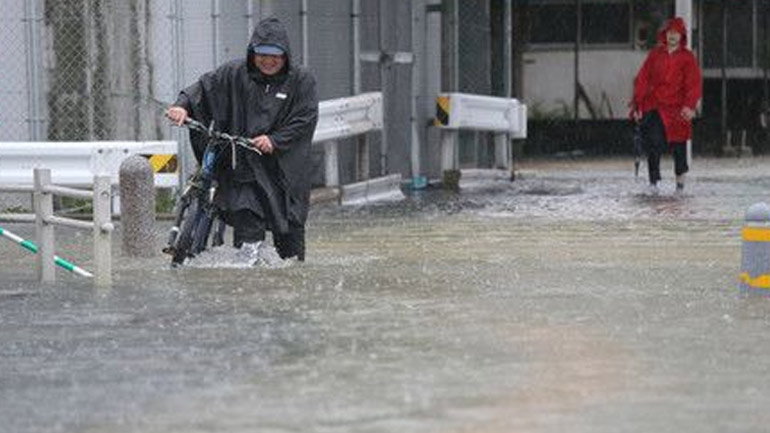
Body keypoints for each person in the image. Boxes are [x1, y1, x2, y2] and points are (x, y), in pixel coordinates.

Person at [166, 16, 318, 264]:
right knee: (247, 220)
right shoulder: (235, 73)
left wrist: (275, 140)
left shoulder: (301, 80)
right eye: (262, 55)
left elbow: (305, 118)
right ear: (252, 53)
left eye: (275, 56)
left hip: (283, 170)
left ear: (285, 56)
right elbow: (203, 88)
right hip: (245, 167)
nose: (268, 61)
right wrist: (181, 106)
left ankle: (292, 275)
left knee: (290, 242)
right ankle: (245, 273)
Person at [630, 16, 702, 195]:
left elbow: (693, 84)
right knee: (653, 143)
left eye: (676, 33)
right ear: (665, 34)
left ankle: (680, 186)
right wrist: (638, 103)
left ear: (682, 36)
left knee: (679, 146)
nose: (672, 36)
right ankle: (653, 183)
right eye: (670, 32)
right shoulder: (655, 54)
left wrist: (689, 105)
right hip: (655, 106)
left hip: (678, 109)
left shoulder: (687, 58)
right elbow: (642, 78)